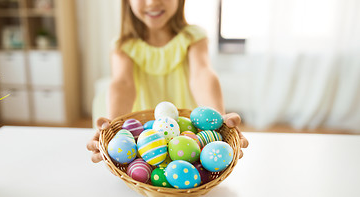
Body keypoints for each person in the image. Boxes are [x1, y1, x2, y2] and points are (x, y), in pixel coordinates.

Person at [87, 0, 248, 163]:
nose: (152, 2)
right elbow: (123, 84)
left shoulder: (193, 37)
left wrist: (216, 120)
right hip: (143, 140)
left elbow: (202, 75)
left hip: (191, 137)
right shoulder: (124, 46)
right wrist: (115, 130)